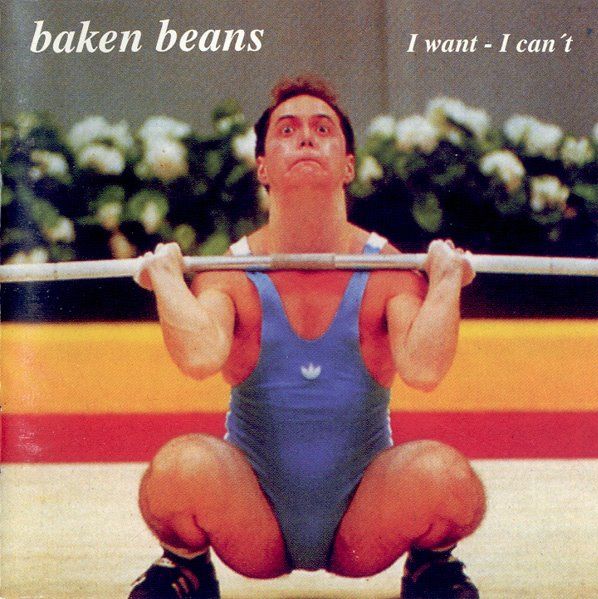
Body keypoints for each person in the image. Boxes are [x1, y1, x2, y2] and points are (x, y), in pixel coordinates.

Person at [129, 75, 486, 599]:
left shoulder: (387, 270)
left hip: (362, 526)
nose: (305, 138)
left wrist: (447, 281)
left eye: (322, 129)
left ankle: (430, 568)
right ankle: (186, 566)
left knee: (450, 479)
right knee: (175, 471)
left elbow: (424, 370)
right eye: (287, 130)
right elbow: (200, 357)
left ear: (347, 166)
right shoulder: (230, 273)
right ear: (263, 167)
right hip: (254, 524)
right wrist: (165, 278)